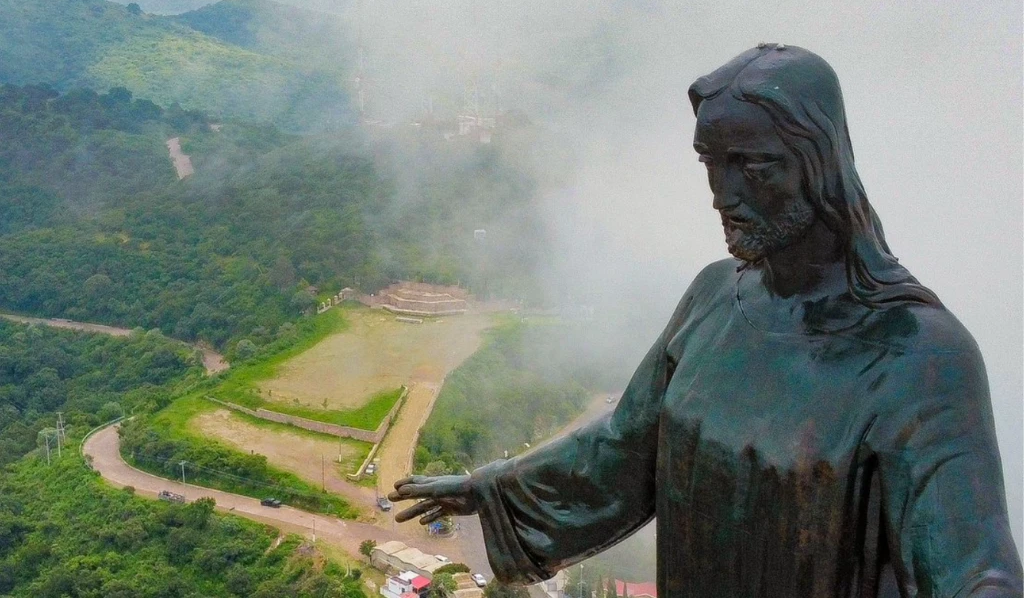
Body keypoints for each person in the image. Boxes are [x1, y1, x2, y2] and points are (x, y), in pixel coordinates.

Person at [389, 45, 1023, 597]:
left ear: (819, 163)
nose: (722, 195)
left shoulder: (919, 357)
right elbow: (625, 448)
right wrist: (493, 488)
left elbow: (972, 569)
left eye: (752, 166)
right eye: (709, 164)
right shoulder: (714, 297)